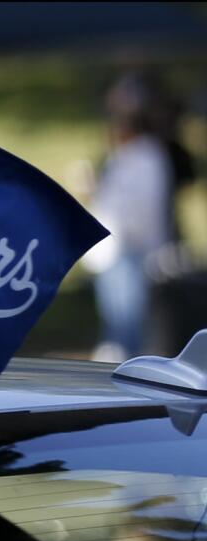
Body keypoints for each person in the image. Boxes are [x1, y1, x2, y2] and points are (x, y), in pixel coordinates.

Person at [85, 73, 176, 361]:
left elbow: (143, 208)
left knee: (128, 324)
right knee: (118, 321)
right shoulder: (124, 156)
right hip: (116, 248)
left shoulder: (147, 156)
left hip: (132, 247)